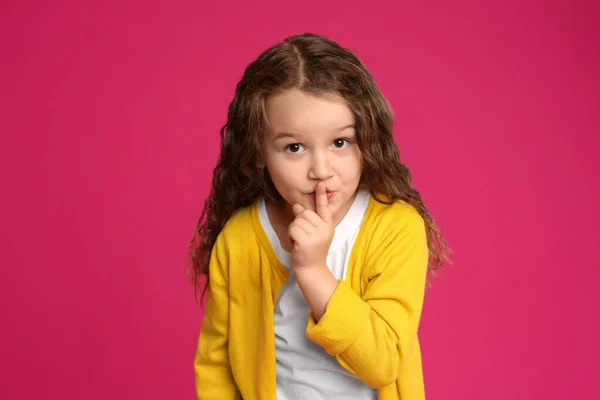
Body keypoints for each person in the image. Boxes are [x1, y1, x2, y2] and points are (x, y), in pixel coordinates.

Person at [188, 32, 449, 400]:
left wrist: (313, 272)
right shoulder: (240, 238)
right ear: (259, 152)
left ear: (366, 139)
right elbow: (217, 363)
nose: (321, 170)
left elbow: (383, 363)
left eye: (340, 142)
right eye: (294, 147)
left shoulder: (396, 228)